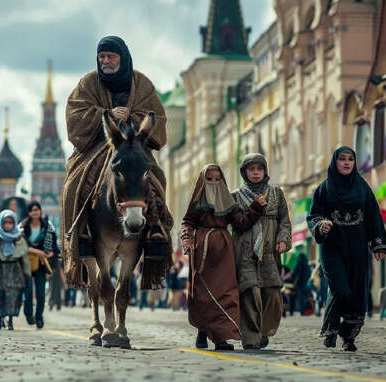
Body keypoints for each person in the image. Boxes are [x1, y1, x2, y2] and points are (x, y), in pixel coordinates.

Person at [62, 35, 173, 290]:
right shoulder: (88, 83)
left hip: (133, 146)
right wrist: (106, 115)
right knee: (74, 184)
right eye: (102, 57)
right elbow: (75, 114)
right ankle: (78, 234)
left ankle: (156, 230)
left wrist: (132, 119)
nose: (106, 61)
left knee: (155, 179)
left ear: (122, 58)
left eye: (111, 56)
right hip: (95, 147)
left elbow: (156, 116)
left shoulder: (141, 83)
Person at [307, 146, 386, 351]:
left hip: (358, 249)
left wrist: (378, 244)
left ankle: (348, 336)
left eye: (350, 159)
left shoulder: (363, 188)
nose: (347, 162)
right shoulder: (324, 189)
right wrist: (320, 225)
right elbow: (313, 215)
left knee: (358, 293)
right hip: (332, 248)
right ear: (335, 162)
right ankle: (331, 329)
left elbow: (373, 217)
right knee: (341, 288)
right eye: (342, 159)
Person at [181, 164, 266, 351]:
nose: (213, 182)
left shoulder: (228, 203)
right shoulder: (197, 202)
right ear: (202, 182)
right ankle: (203, 331)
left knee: (225, 294)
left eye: (217, 179)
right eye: (209, 179)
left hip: (224, 255)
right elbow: (187, 222)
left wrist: (255, 209)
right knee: (202, 295)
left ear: (222, 180)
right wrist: (187, 241)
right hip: (202, 253)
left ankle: (220, 338)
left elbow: (241, 224)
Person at [231, 153, 292, 350]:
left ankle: (264, 330)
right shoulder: (236, 196)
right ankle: (250, 337)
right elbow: (236, 225)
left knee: (272, 293)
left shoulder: (276, 193)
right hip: (245, 252)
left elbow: (284, 220)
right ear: (244, 172)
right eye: (252, 169)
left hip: (269, 253)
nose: (256, 173)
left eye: (260, 169)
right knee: (250, 293)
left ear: (265, 171)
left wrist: (283, 239)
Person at [0, 210, 31, 331]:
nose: (8, 225)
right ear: (1, 222)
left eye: (11, 223)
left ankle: (10, 319)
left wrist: (27, 273)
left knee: (13, 296)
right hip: (0, 269)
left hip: (15, 270)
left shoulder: (19, 237)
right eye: (6, 223)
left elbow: (24, 256)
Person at [20, 202, 59, 329]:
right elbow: (20, 245)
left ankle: (39, 317)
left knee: (41, 294)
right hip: (26, 263)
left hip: (42, 263)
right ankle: (29, 314)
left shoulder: (48, 226)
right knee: (28, 291)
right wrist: (37, 251)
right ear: (29, 213)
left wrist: (51, 253)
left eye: (37, 210)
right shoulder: (23, 227)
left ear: (40, 211)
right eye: (32, 210)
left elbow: (54, 246)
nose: (35, 212)